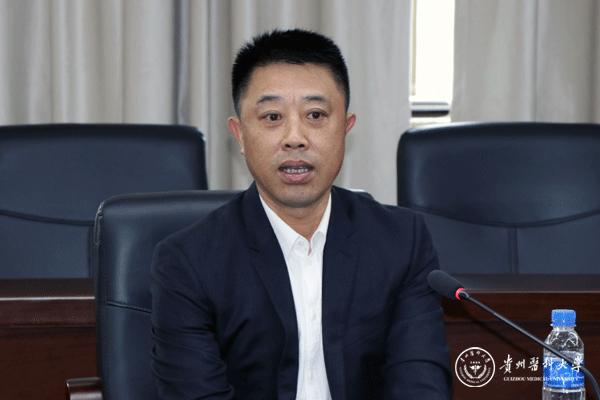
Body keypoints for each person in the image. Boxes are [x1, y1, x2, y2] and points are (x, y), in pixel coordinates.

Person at [151, 28, 450, 399]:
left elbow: (420, 385)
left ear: (346, 128)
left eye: (315, 115)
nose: (295, 137)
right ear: (239, 134)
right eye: (272, 116)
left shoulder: (401, 242)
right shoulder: (188, 261)